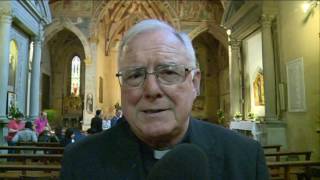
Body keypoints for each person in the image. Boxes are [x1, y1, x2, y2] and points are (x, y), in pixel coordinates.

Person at [61, 19, 269, 179]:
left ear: (195, 83)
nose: (152, 90)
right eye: (135, 75)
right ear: (122, 86)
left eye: (168, 72)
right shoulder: (80, 161)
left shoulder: (245, 158)